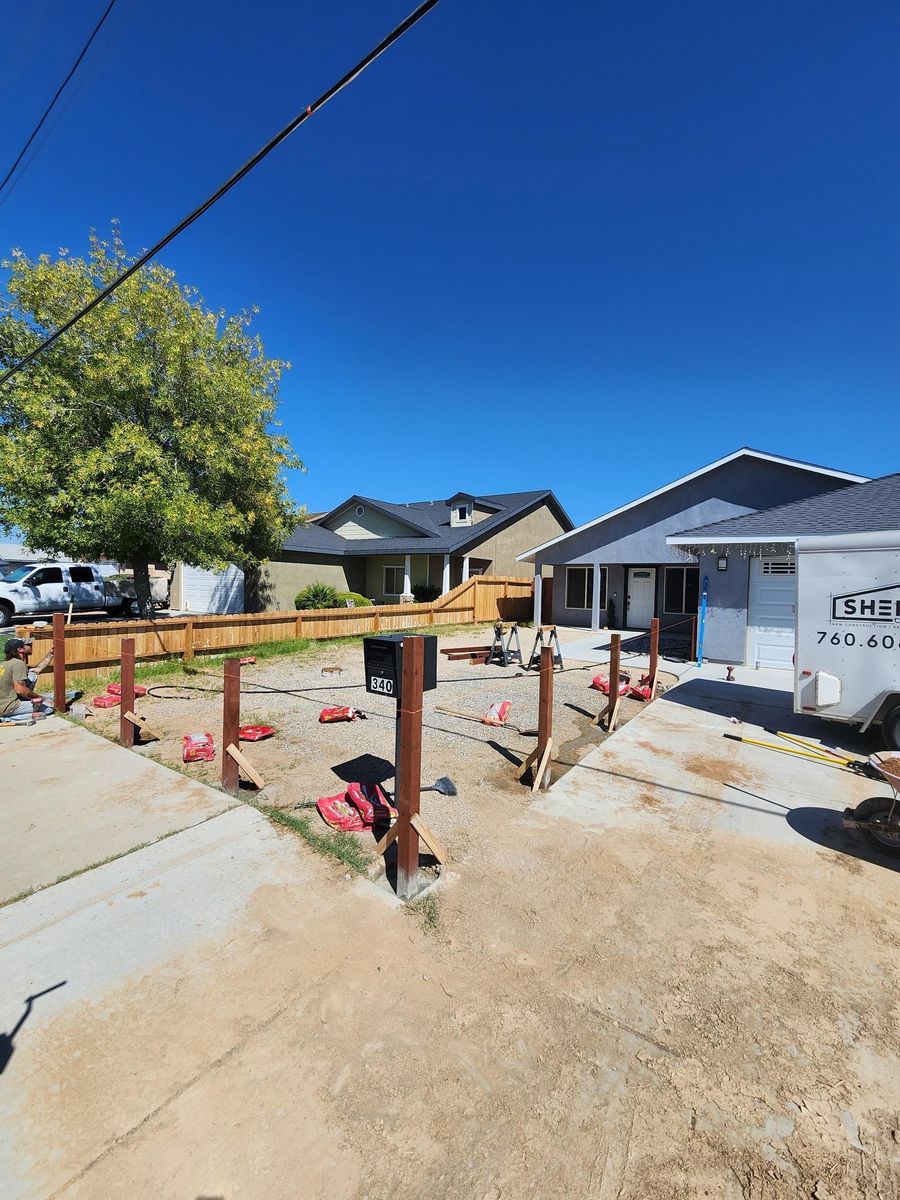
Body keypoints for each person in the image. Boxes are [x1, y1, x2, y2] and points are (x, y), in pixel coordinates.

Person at [0, 638, 54, 724]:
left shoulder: (4, 664)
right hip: (8, 707)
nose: (30, 646)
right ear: (20, 649)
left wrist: (51, 654)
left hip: (3, 703)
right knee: (49, 708)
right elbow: (20, 690)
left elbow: (37, 669)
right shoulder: (19, 663)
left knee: (32, 675)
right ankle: (6, 719)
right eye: (26, 645)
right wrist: (40, 698)